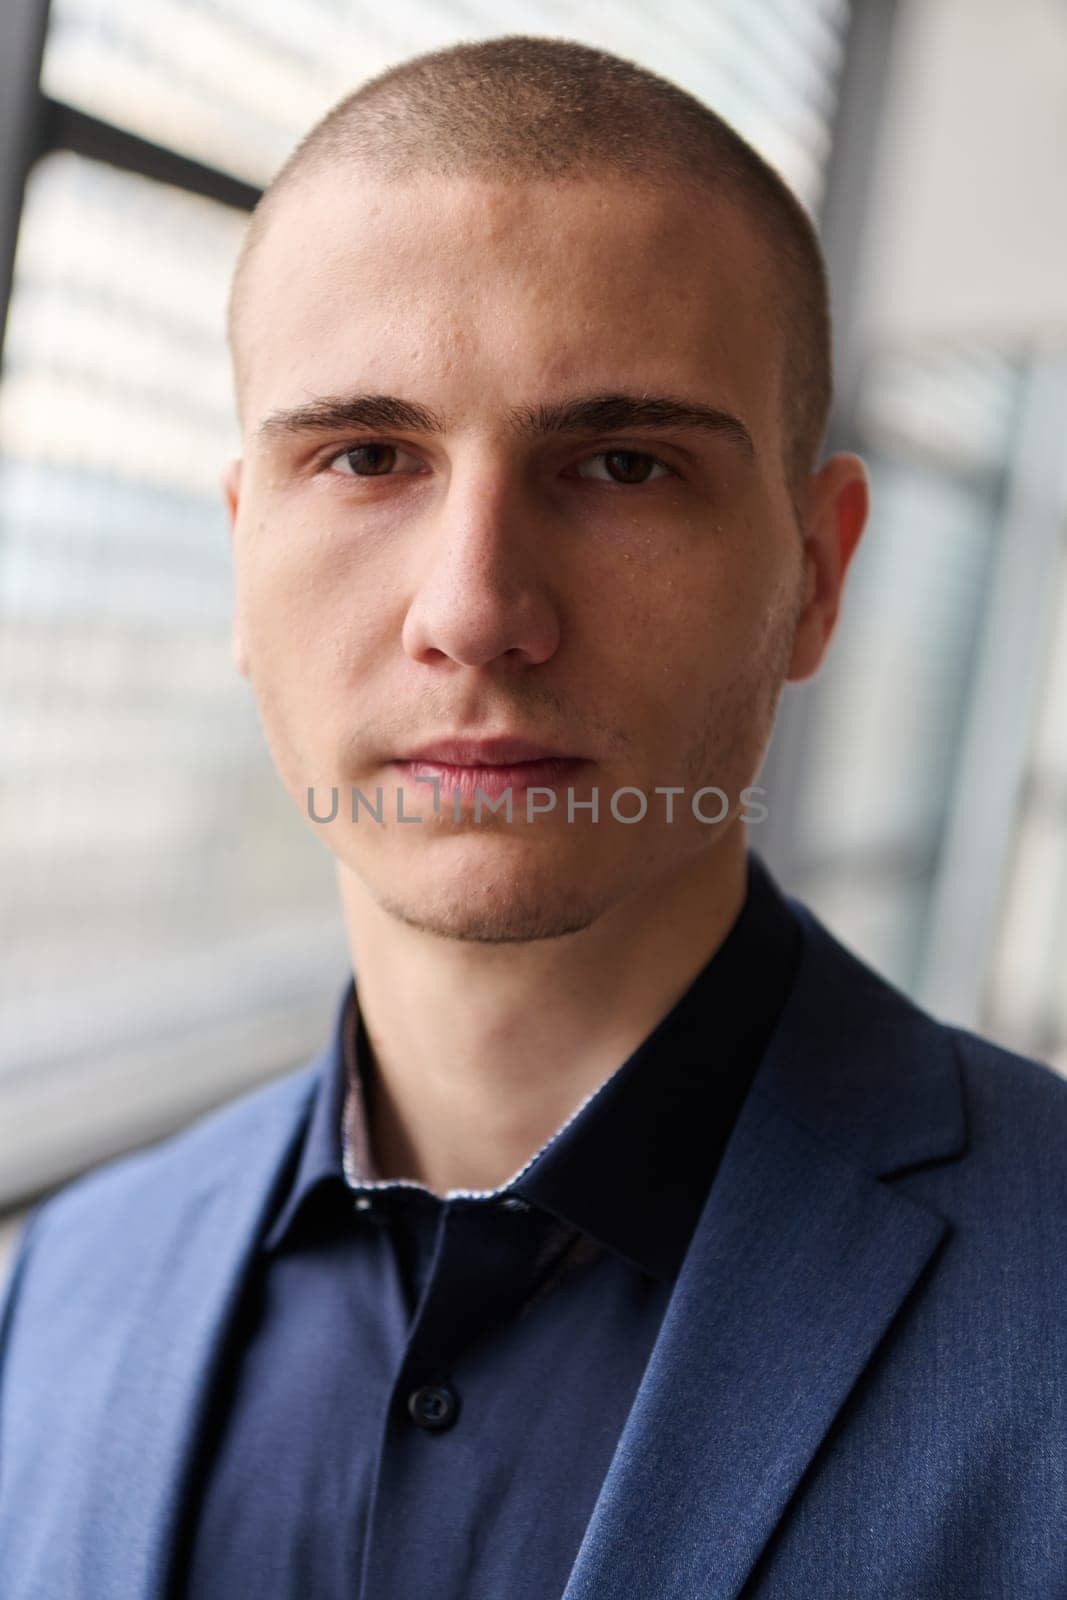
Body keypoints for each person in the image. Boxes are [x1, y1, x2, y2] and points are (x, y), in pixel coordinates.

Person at [1, 32, 1065, 1600]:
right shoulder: (67, 1286)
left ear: (816, 578)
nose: (476, 610)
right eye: (367, 456)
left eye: (622, 465)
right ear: (242, 555)